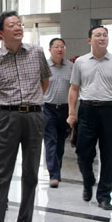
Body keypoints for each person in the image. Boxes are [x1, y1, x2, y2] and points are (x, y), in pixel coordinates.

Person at [0, 11, 51, 222]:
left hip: (34, 116)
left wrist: (31, 101)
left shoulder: (36, 52)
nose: (18, 27)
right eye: (12, 25)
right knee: (1, 173)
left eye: (19, 24)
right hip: (6, 117)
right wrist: (5, 104)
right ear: (1, 33)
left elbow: (45, 81)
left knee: (31, 173)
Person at [66, 25, 112, 211]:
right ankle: (88, 181)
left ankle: (104, 196)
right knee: (82, 153)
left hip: (109, 111)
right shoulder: (80, 62)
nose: (102, 38)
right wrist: (71, 112)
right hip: (87, 110)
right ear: (90, 40)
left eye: (104, 35)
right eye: (98, 35)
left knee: (109, 155)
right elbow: (74, 88)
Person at [43, 38, 73, 188]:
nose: (59, 49)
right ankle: (53, 175)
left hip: (65, 109)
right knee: (51, 141)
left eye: (62, 46)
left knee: (61, 142)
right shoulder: (44, 66)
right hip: (48, 108)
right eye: (56, 47)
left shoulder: (71, 67)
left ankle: (56, 170)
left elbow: (74, 89)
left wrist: (73, 112)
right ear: (50, 50)